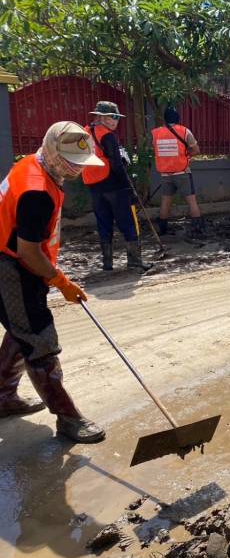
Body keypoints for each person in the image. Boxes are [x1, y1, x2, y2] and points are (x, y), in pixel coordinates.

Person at [0, 121, 106, 443]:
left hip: (14, 260)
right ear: (56, 154)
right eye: (73, 163)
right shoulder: (37, 192)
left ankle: (2, 397)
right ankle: (68, 418)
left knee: (22, 330)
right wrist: (62, 282)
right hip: (11, 267)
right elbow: (29, 252)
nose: (77, 170)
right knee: (39, 338)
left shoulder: (35, 163)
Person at [82, 101, 150, 272]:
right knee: (127, 222)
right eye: (112, 117)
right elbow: (117, 166)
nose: (115, 121)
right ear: (101, 117)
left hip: (94, 186)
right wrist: (129, 189)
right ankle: (135, 261)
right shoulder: (107, 135)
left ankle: (107, 263)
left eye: (116, 118)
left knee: (103, 223)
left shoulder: (85, 133)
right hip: (114, 186)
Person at [151, 107, 203, 238]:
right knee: (192, 201)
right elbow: (196, 150)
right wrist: (187, 154)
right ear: (178, 119)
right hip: (182, 172)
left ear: (165, 119)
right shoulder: (184, 131)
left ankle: (162, 229)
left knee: (165, 201)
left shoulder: (155, 133)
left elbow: (154, 149)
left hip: (165, 174)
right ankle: (197, 229)